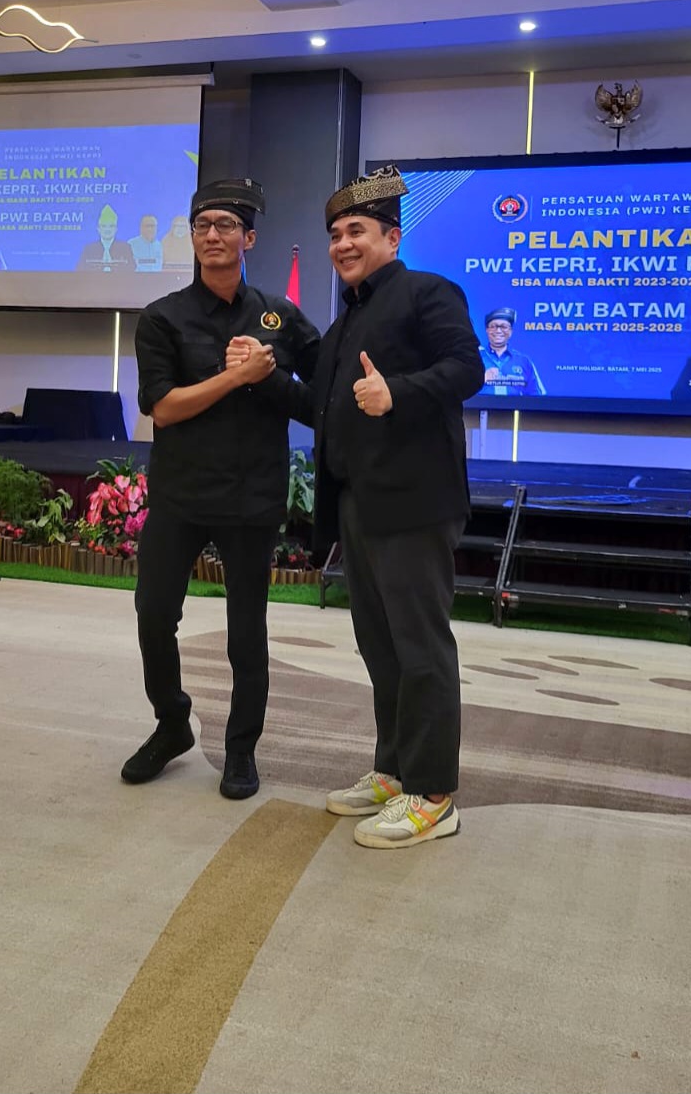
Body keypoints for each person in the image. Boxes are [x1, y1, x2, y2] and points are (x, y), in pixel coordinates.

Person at [229, 166, 483, 849]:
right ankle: (395, 771)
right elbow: (320, 407)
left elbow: (468, 368)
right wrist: (263, 373)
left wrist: (397, 392)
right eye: (336, 234)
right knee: (381, 647)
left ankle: (433, 795)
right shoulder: (346, 324)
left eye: (357, 231)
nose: (342, 244)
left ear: (391, 238)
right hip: (361, 507)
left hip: (415, 503)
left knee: (420, 649)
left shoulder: (428, 293)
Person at [121, 177, 320, 801]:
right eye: (203, 225)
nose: (213, 234)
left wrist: (270, 376)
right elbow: (163, 407)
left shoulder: (280, 317)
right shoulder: (162, 317)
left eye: (226, 225)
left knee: (246, 632)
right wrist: (236, 378)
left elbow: (320, 401)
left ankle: (241, 749)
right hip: (180, 493)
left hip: (251, 495)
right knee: (154, 615)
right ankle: (172, 724)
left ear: (248, 239)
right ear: (192, 238)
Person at [480, 307, 545, 395]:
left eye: (504, 327)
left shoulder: (524, 361)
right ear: (487, 330)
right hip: (479, 404)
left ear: (511, 331)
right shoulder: (475, 357)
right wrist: (481, 379)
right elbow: (461, 389)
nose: (498, 331)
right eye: (493, 326)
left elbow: (537, 396)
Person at [77, 204, 135, 272]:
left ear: (116, 229)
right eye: (104, 226)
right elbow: (80, 270)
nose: (107, 229)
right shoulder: (89, 249)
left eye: (111, 226)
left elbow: (132, 269)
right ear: (98, 229)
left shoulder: (125, 248)